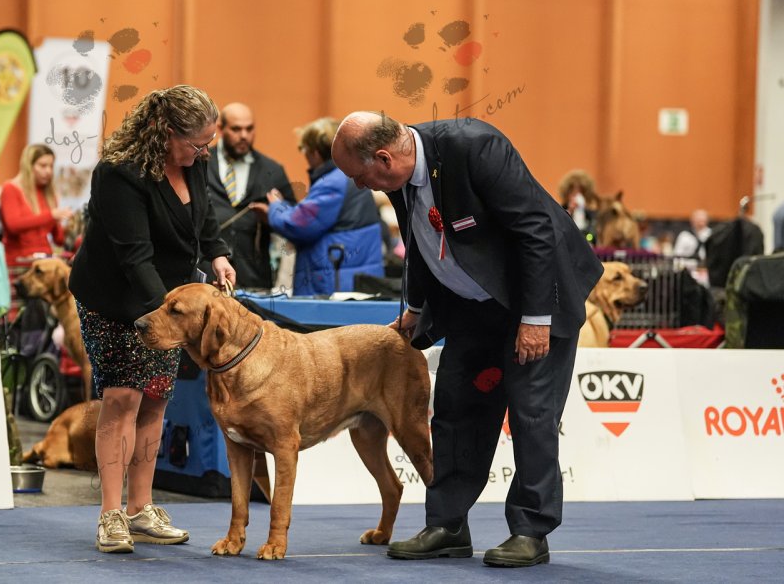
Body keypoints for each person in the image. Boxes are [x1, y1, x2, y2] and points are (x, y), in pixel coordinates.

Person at [332, 111, 603, 568]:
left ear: (383, 158)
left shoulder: (475, 147)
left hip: (538, 297)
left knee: (531, 413)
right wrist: (417, 306)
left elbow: (536, 229)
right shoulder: (397, 179)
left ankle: (531, 532)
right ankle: (448, 525)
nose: (360, 186)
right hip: (475, 305)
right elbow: (421, 241)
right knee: (455, 407)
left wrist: (536, 319)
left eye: (359, 176)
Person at [68, 85, 236, 555]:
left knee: (156, 400)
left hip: (167, 299)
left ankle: (141, 508)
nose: (204, 153)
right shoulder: (119, 174)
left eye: (208, 143)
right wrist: (173, 318)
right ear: (165, 131)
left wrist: (218, 254)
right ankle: (111, 514)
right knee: (122, 398)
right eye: (197, 144)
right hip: (117, 297)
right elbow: (134, 258)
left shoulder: (195, 161)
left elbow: (204, 216)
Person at [256, 117, 384, 296]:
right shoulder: (348, 175)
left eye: (305, 150)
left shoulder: (332, 183)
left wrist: (276, 208)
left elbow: (299, 224)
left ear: (315, 153)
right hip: (355, 279)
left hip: (335, 285)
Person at [206, 102, 294, 289]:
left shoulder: (272, 170)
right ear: (220, 129)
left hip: (254, 276)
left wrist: (274, 215)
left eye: (249, 129)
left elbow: (294, 220)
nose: (244, 135)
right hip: (208, 272)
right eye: (236, 129)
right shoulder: (200, 164)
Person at [0, 144, 73, 267]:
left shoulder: (49, 195)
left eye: (51, 166)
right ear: (29, 166)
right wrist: (51, 215)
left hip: (46, 262)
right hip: (19, 263)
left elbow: (59, 240)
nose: (48, 171)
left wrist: (71, 228)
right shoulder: (10, 189)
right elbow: (13, 225)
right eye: (43, 166)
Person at [557, 169, 598, 242]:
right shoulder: (559, 212)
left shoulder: (592, 215)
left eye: (580, 192)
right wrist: (570, 211)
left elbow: (594, 236)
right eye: (573, 192)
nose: (577, 196)